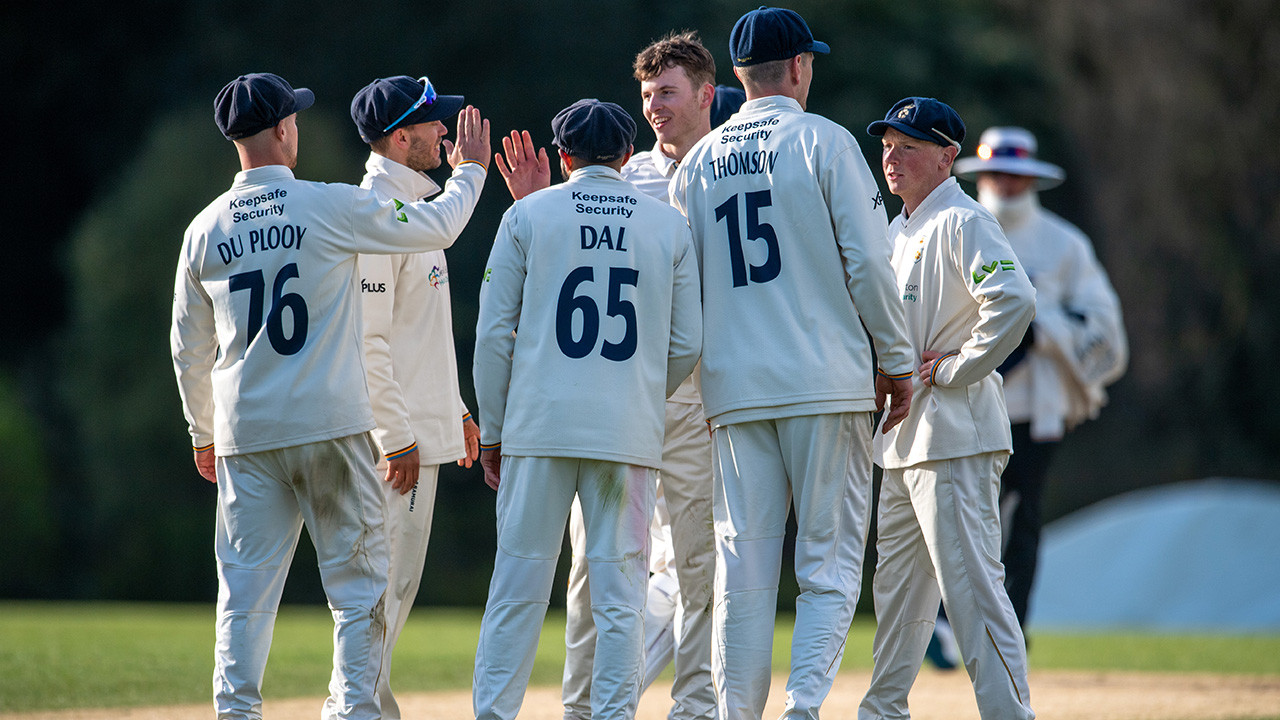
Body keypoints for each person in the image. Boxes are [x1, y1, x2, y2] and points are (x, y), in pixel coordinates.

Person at [170, 72, 490, 720]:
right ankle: (356, 715)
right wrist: (473, 172)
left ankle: (235, 713)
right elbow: (440, 225)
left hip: (245, 432)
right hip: (329, 423)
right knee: (359, 593)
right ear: (286, 129)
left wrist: (202, 433)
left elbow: (188, 348)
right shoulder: (328, 204)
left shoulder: (204, 230)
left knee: (244, 597)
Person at [669, 8, 915, 719]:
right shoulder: (826, 142)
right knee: (829, 567)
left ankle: (737, 714)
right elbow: (870, 263)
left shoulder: (701, 161)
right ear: (800, 67)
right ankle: (803, 705)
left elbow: (687, 291)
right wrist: (895, 361)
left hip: (735, 390)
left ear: (740, 76)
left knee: (742, 573)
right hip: (824, 381)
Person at [472, 99, 703, 720]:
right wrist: (637, 395)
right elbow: (686, 344)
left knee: (517, 590)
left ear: (563, 156)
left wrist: (492, 431)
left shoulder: (527, 215)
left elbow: (494, 335)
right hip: (623, 433)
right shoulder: (666, 224)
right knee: (620, 598)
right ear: (628, 157)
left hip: (538, 429)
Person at [560, 33, 738, 720]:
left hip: (700, 395)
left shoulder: (732, 167)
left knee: (698, 560)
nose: (654, 107)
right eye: (646, 96)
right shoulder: (624, 176)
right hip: (623, 397)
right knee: (596, 562)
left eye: (666, 93)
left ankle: (693, 704)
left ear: (705, 95)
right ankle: (584, 705)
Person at [859, 97, 1036, 720]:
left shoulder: (962, 220)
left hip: (956, 436)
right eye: (888, 144)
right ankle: (882, 710)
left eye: (909, 145)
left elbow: (1013, 300)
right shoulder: (899, 228)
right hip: (904, 439)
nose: (892, 156)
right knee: (899, 596)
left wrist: (958, 368)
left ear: (947, 157)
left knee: (972, 594)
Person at [347, 74, 509, 719]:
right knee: (380, 590)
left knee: (395, 589)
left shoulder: (407, 206)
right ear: (401, 136)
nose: (445, 131)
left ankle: (369, 707)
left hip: (417, 429)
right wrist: (398, 436)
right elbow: (369, 343)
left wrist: (457, 411)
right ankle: (360, 709)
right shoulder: (380, 209)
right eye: (433, 123)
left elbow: (418, 336)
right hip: (395, 445)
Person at [953, 126, 1128, 629]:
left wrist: (1042, 327)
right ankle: (954, 621)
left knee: (1021, 517)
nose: (1004, 184)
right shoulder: (958, 228)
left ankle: (1013, 625)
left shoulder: (1064, 244)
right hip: (966, 401)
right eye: (995, 174)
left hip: (1035, 409)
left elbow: (1103, 327)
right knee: (963, 513)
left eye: (1014, 176)